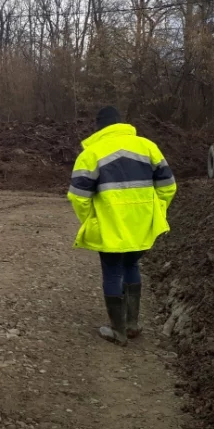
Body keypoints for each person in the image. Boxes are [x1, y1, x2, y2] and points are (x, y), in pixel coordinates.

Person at [67, 106, 177, 346]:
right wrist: (155, 211)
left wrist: (92, 218)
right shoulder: (148, 147)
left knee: (112, 271)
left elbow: (78, 196)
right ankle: (132, 324)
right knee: (132, 265)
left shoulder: (92, 153)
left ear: (99, 127)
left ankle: (118, 331)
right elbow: (168, 186)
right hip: (141, 226)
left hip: (110, 227)